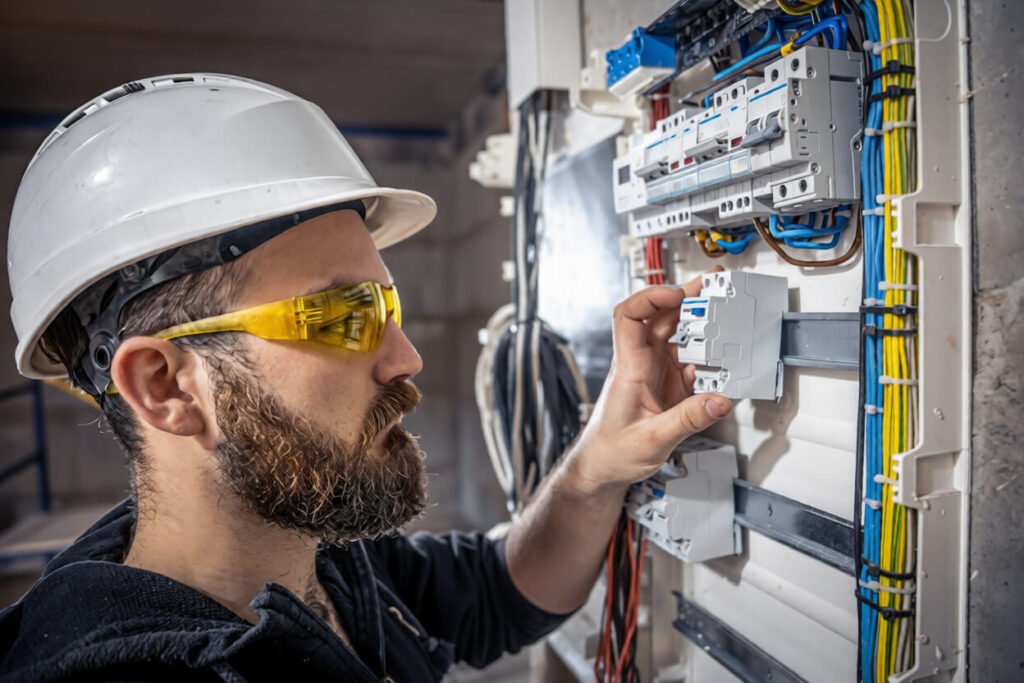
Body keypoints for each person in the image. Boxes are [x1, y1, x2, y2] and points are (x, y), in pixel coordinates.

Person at [0, 74, 731, 681]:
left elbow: (495, 592)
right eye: (341, 314)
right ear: (165, 384)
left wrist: (595, 467)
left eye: (386, 303)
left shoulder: (309, 541)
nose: (406, 356)